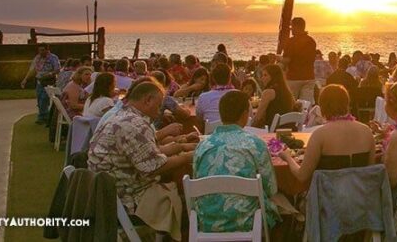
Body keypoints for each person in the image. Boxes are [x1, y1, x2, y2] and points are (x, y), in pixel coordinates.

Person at [88, 81, 196, 240]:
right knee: (189, 203)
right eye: (159, 106)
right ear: (147, 100)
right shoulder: (134, 124)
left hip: (109, 192)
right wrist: (188, 157)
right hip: (127, 200)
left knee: (179, 187)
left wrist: (181, 147)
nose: (160, 111)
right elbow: (154, 167)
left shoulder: (121, 116)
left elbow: (147, 153)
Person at [193, 90, 280, 234]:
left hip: (208, 221)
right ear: (245, 114)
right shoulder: (255, 144)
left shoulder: (202, 146)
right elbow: (271, 188)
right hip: (247, 221)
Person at [280, 85, 376, 191]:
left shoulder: (320, 135)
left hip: (329, 201)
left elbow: (302, 176)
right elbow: (370, 171)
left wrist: (288, 157)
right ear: (347, 103)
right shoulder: (367, 131)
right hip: (361, 199)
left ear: (322, 107)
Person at [20, 44, 60, 124]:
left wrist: (49, 74)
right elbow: (32, 69)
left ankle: (42, 117)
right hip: (39, 81)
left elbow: (57, 69)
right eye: (39, 50)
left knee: (44, 99)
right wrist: (25, 79)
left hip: (48, 81)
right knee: (39, 99)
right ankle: (44, 116)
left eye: (42, 50)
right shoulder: (37, 58)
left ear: (47, 50)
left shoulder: (53, 58)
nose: (40, 52)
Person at [282, 17, 316, 99]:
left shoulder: (291, 41)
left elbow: (287, 60)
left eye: (292, 26)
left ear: (296, 27)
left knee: (292, 103)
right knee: (306, 105)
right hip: (309, 77)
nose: (291, 29)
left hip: (294, 78)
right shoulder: (311, 41)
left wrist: (278, 58)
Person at [252, 64, 295, 130]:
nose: (262, 78)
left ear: (273, 77)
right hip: (289, 129)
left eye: (265, 75)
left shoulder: (268, 92)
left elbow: (258, 117)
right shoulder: (287, 92)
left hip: (273, 130)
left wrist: (248, 128)